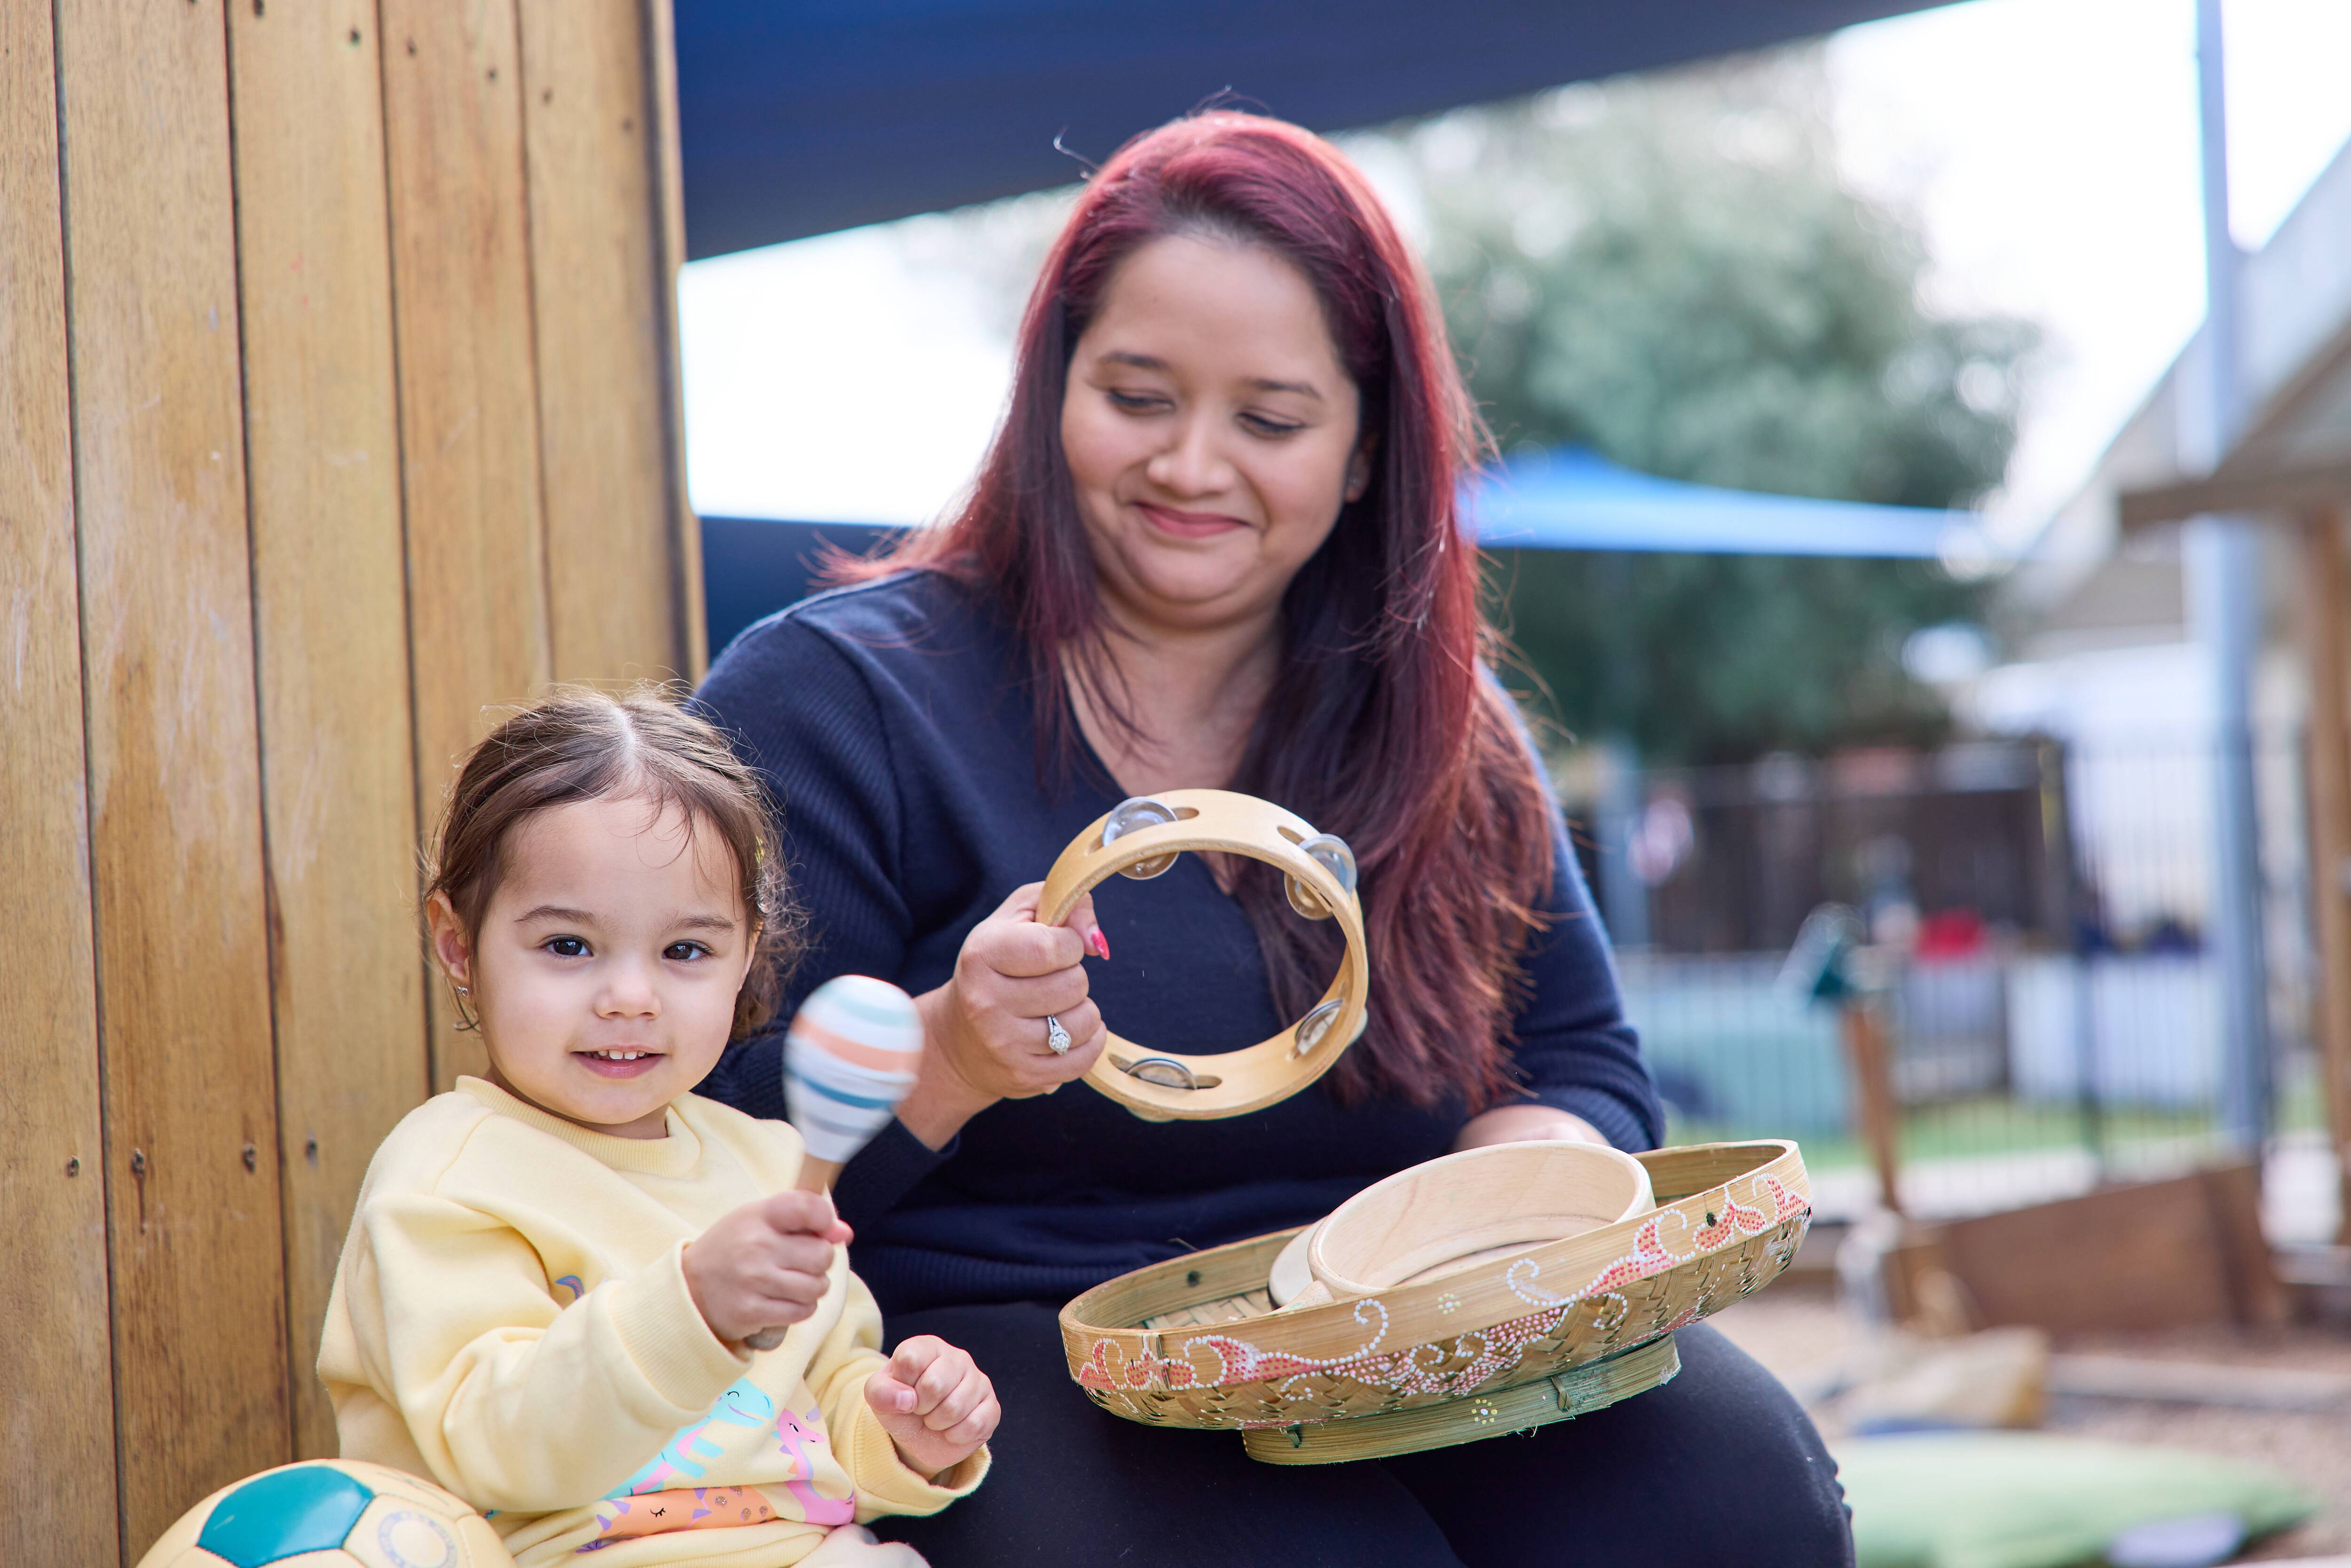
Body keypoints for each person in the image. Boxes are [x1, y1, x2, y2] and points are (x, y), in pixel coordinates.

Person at [694, 112, 1852, 1566]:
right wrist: (952, 1054)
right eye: (1137, 394)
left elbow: (1585, 1062)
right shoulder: (839, 699)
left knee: (1737, 1496)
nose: (1192, 465)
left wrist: (1502, 1209)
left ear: (1369, 451)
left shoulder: (1448, 725)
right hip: (990, 1347)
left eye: (1272, 418)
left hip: (1393, 1332)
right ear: (1052, 390)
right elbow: (688, 1150)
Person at [317, 690, 996, 1567]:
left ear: (747, 953)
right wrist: (694, 1308)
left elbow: (822, 1397)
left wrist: (907, 1428)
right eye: (568, 946)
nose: (630, 997)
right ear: (458, 942)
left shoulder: (768, 1160)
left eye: (685, 952)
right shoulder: (446, 1176)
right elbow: (496, 1444)